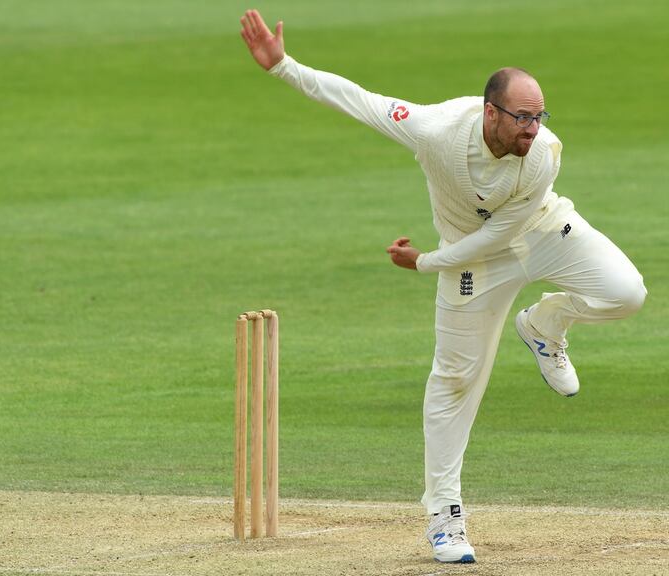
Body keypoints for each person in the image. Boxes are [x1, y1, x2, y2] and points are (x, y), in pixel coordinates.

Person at [239, 9, 647, 564]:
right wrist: (282, 66)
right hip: (471, 260)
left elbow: (501, 231)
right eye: (523, 117)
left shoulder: (544, 153)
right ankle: (444, 518)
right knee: (454, 380)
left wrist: (426, 261)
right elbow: (359, 99)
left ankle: (545, 325)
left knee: (626, 293)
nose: (534, 127)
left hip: (542, 232)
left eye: (539, 115)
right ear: (490, 112)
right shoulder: (435, 130)